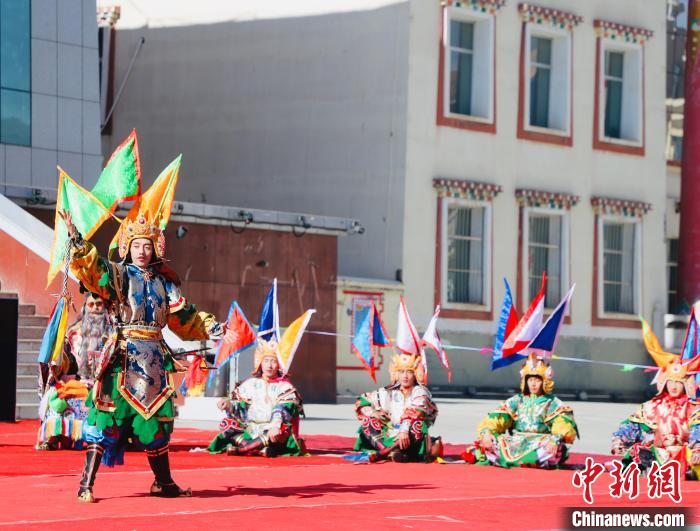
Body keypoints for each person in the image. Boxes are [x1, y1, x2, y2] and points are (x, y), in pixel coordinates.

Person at [59, 205, 224, 503]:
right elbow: (95, 270)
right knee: (107, 418)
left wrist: (209, 327)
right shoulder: (119, 276)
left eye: (147, 245)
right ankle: (86, 482)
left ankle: (163, 483)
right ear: (127, 247)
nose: (142, 251)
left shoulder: (165, 284)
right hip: (122, 356)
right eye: (136, 245)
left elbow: (184, 316)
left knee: (156, 423)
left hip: (154, 363)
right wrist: (76, 238)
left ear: (156, 248)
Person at [611, 320, 700, 478]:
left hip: (687, 455)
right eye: (670, 382)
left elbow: (697, 430)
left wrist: (697, 448)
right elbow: (633, 426)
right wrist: (619, 439)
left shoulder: (693, 408)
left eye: (678, 383)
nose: (674, 386)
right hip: (660, 455)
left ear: (686, 384)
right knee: (637, 451)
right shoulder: (652, 406)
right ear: (664, 383)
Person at [465, 353, 578, 468]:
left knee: (555, 449)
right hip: (515, 442)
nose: (533, 384)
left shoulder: (553, 402)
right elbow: (497, 418)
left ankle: (518, 460)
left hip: (540, 442)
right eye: (530, 380)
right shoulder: (517, 400)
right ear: (525, 381)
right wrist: (487, 433)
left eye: (537, 380)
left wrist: (555, 440)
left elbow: (562, 425)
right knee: (490, 442)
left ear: (545, 381)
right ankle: (527, 461)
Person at [208, 339, 304, 456]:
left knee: (282, 432)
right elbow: (239, 405)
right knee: (228, 425)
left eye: (273, 361)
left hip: (272, 428)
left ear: (279, 364)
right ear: (260, 363)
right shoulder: (251, 383)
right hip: (251, 427)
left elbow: (282, 410)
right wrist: (229, 404)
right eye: (266, 361)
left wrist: (275, 426)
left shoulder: (285, 386)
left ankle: (241, 449)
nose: (269, 365)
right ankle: (259, 449)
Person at [353, 352, 441, 462]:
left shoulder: (420, 391)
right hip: (390, 432)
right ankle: (392, 452)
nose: (405, 376)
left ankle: (382, 454)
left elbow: (416, 412)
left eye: (409, 372)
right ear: (396, 373)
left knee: (418, 425)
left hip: (409, 435)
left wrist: (404, 430)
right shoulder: (388, 391)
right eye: (401, 372)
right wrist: (372, 412)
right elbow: (362, 400)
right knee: (368, 422)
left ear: (416, 374)